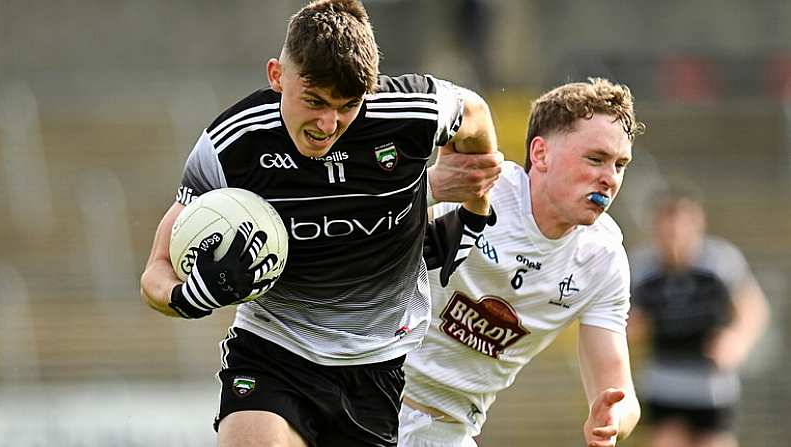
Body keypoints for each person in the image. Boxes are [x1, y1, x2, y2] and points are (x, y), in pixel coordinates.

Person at [139, 1, 502, 446]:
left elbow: (477, 114)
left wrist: (474, 206)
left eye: (347, 106)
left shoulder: (412, 112)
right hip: (274, 348)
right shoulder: (232, 143)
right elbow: (155, 272)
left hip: (377, 363)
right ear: (277, 76)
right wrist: (188, 296)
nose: (327, 125)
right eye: (314, 101)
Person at [398, 77, 645, 447]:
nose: (609, 178)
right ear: (540, 154)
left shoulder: (602, 259)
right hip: (368, 399)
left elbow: (619, 392)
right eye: (595, 159)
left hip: (449, 431)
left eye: (620, 164)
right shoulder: (478, 189)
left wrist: (612, 420)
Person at [628, 188, 769, 447]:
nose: (674, 238)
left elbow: (753, 307)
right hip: (664, 381)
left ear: (697, 224)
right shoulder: (642, 269)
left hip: (712, 386)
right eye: (667, 229)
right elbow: (627, 320)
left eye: (681, 228)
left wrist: (737, 340)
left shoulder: (720, 262)